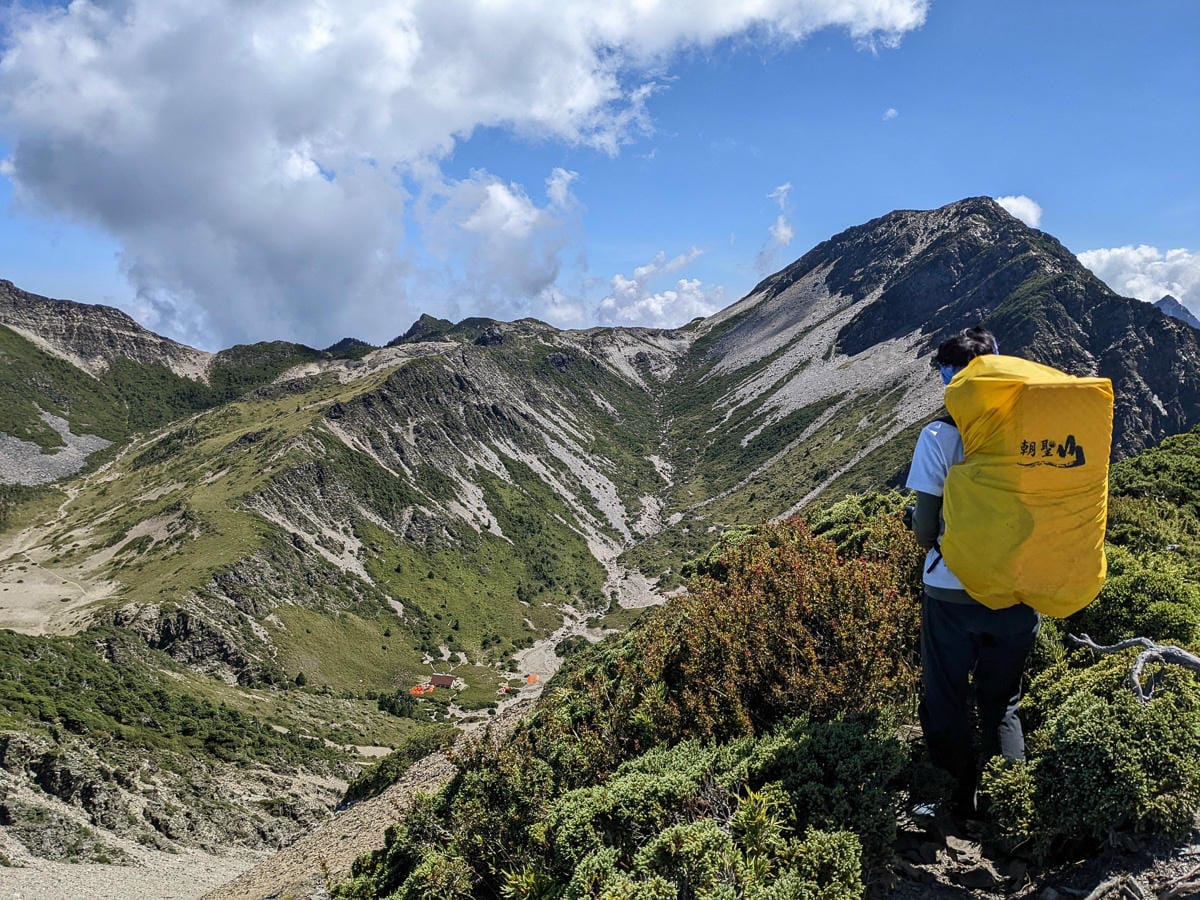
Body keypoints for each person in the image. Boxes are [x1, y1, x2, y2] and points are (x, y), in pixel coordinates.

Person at [905, 326, 1040, 819]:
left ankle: (954, 801)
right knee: (1002, 701)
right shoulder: (1033, 430)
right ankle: (1011, 808)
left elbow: (924, 529)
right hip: (1019, 587)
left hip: (951, 592)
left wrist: (927, 530)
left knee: (945, 697)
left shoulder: (939, 436)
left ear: (952, 376)